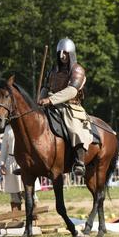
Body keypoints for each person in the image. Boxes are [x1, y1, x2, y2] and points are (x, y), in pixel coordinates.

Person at [38, 38, 93, 176]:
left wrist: (50, 100)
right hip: (50, 105)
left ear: (71, 54)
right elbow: (46, 87)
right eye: (60, 53)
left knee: (75, 130)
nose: (62, 55)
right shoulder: (53, 70)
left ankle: (79, 161)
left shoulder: (77, 69)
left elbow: (72, 91)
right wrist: (39, 100)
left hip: (69, 107)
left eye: (65, 53)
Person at [0, 124, 41, 212]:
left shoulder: (26, 124)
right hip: (11, 161)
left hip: (26, 161)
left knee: (30, 191)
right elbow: (4, 147)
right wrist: (2, 164)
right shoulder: (8, 128)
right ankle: (16, 219)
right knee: (14, 193)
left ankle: (33, 217)